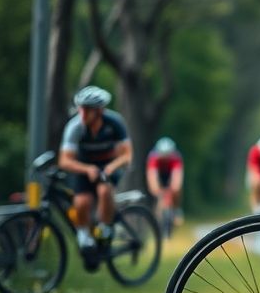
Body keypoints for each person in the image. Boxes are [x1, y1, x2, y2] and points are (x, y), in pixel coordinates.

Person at [58, 85, 132, 251]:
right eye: (81, 109)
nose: (82, 114)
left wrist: (112, 167)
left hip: (109, 166)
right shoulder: (75, 127)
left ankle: (106, 227)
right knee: (81, 202)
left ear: (99, 111)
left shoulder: (115, 123)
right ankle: (84, 236)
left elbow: (126, 155)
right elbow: (64, 160)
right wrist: (87, 169)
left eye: (87, 110)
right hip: (84, 167)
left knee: (104, 191)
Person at [146, 136, 184, 225]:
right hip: (159, 174)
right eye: (163, 156)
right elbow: (152, 175)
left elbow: (177, 176)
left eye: (167, 156)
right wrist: (156, 189)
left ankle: (176, 209)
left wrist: (175, 188)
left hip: (170, 174)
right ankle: (157, 219)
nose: (165, 158)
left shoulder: (176, 158)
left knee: (177, 190)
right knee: (157, 193)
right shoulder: (153, 157)